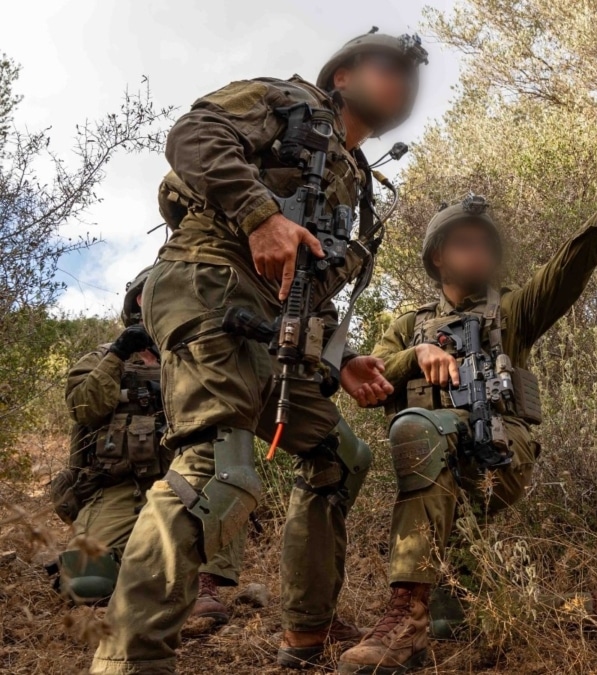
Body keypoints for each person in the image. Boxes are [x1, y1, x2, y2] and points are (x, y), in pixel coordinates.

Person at [89, 29, 427, 674]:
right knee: (218, 467)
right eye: (389, 67)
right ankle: (129, 662)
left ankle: (306, 637)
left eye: (412, 78)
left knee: (339, 456)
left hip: (274, 326)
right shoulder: (286, 100)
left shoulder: (353, 178)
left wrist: (340, 354)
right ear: (344, 76)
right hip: (206, 282)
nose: (403, 82)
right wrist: (257, 214)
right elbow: (193, 136)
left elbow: (311, 286)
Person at [342, 153, 597, 674]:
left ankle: (402, 622)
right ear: (438, 256)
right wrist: (415, 356)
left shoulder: (509, 311)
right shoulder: (406, 325)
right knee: (461, 617)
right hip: (431, 472)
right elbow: (370, 381)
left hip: (497, 456)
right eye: (465, 242)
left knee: (417, 429)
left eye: (486, 243)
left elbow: (560, 281)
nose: (479, 251)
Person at [51, 267, 244, 626]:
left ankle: (201, 587)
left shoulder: (194, 356)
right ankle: (136, 576)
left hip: (179, 483)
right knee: (87, 583)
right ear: (137, 302)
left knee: (229, 469)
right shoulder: (103, 357)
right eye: (150, 294)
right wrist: (118, 354)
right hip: (115, 487)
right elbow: (83, 407)